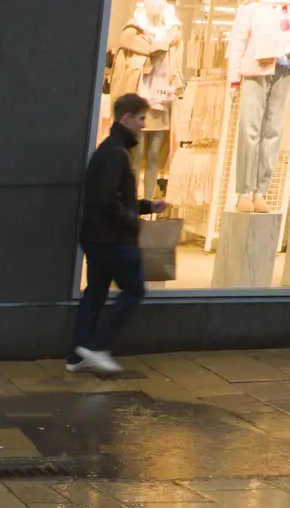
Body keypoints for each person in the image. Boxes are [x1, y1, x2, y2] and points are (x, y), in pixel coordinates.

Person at [71, 92, 168, 378]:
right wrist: (131, 223)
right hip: (113, 239)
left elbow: (114, 197)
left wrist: (147, 206)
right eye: (141, 118)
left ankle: (77, 355)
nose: (143, 125)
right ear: (126, 118)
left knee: (95, 293)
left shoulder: (110, 149)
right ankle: (97, 348)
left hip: (97, 237)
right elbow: (108, 200)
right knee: (134, 290)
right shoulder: (116, 153)